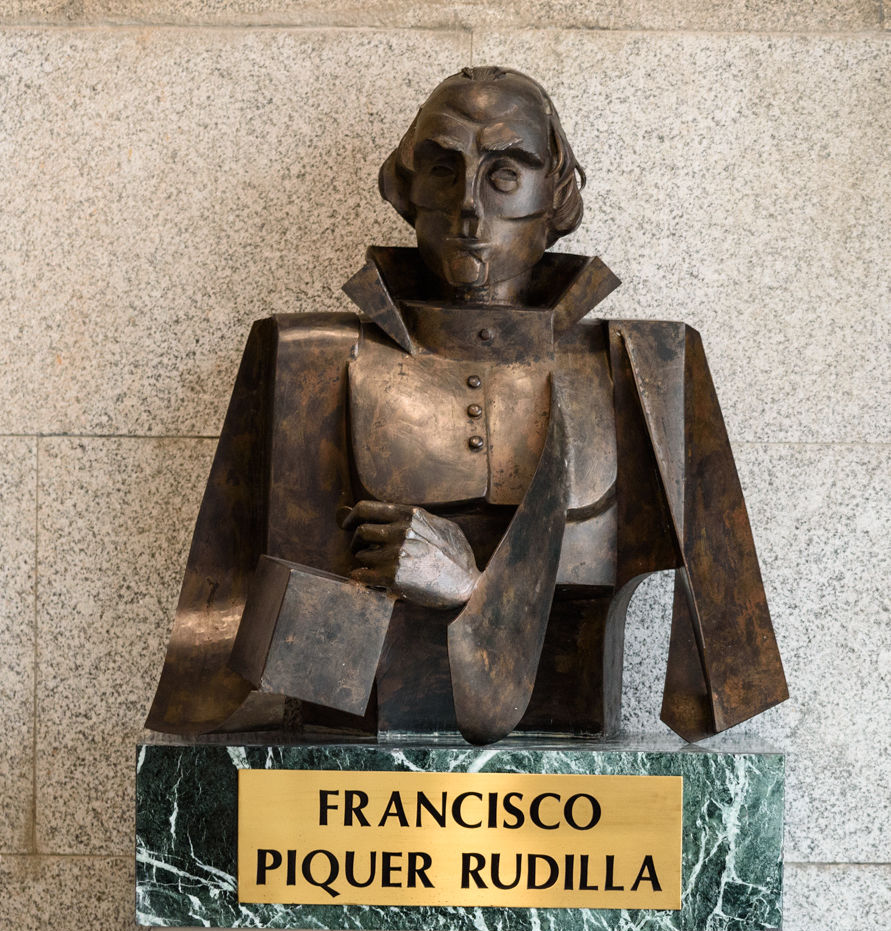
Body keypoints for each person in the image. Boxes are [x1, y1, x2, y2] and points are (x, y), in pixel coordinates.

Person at [147, 66, 786, 744]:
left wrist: (469, 588)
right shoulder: (307, 360)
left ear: (556, 195)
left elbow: (728, 672)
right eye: (442, 171)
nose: (469, 210)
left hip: (573, 728)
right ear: (406, 189)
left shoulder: (650, 366)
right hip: (359, 743)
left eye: (505, 174)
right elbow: (281, 660)